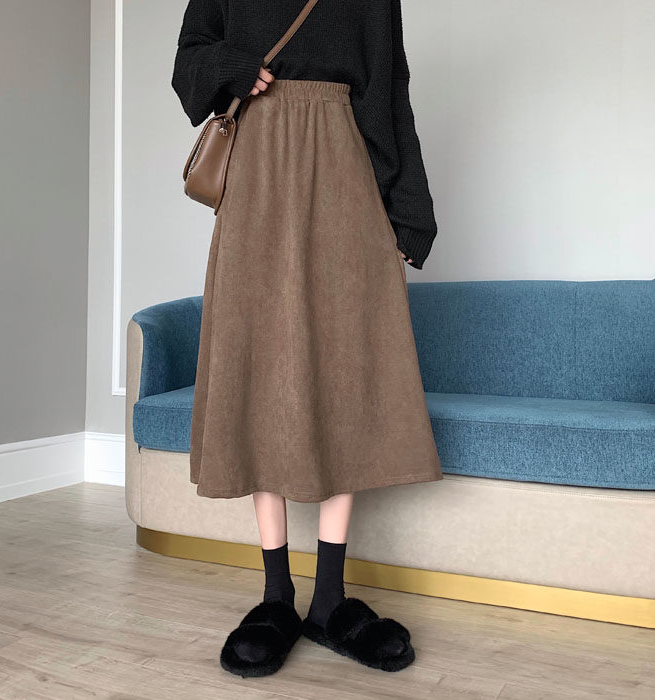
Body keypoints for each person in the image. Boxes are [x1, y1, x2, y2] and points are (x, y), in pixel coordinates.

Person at [171, 0, 443, 677]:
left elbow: (389, 87)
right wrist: (234, 68)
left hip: (346, 175)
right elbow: (189, 61)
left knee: (346, 370)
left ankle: (328, 601)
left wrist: (408, 213)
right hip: (256, 174)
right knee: (259, 366)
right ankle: (276, 597)